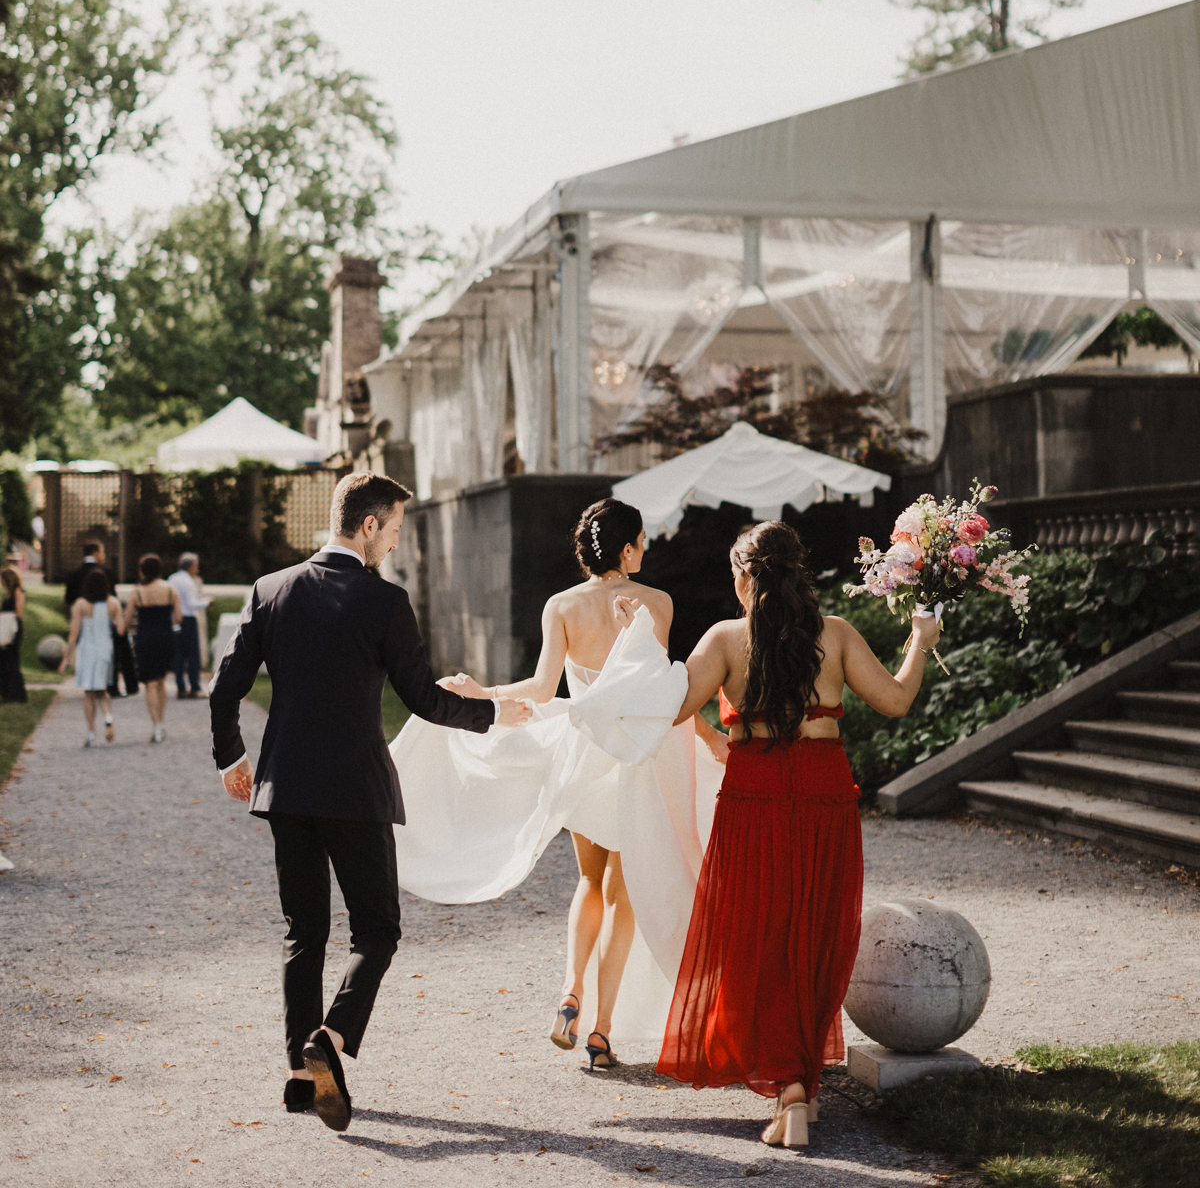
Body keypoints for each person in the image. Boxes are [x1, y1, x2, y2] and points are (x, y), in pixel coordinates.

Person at [209, 472, 532, 1134]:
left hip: (287, 789)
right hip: (355, 792)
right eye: (395, 528)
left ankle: (303, 1078)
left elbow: (224, 689)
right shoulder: (385, 602)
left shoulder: (271, 591)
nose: (395, 541)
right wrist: (497, 712)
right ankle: (327, 1042)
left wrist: (231, 759)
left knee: (304, 932)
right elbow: (423, 699)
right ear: (367, 527)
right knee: (377, 929)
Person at [389, 497, 727, 1065]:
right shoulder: (657, 603)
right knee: (625, 897)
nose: (647, 548)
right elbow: (655, 691)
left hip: (583, 757)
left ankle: (570, 991)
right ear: (625, 547)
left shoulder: (561, 606)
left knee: (589, 883)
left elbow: (544, 690)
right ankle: (601, 1031)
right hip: (637, 760)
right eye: (642, 540)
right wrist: (711, 737)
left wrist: (486, 694)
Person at [653, 520, 940, 1150]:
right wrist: (921, 640)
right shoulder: (834, 635)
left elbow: (672, 708)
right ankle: (797, 1090)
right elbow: (893, 701)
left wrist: (641, 645)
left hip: (753, 792)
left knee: (758, 936)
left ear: (745, 575)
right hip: (823, 791)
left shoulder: (726, 638)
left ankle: (789, 1090)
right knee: (814, 932)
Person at [59, 567, 125, 745]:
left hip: (87, 650)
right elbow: (120, 630)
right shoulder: (113, 603)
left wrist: (66, 658)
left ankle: (90, 732)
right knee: (103, 690)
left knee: (88, 693)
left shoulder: (80, 604)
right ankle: (108, 717)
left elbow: (74, 634)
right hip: (105, 649)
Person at [124, 554, 182, 744]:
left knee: (149, 682)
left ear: (142, 571)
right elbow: (179, 617)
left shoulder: (137, 592)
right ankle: (162, 721)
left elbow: (125, 621)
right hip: (165, 636)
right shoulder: (170, 589)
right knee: (160, 680)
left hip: (145, 637)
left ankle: (156, 725)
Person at [169, 552, 208, 698]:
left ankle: (180, 687)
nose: (197, 569)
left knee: (179, 654)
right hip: (189, 618)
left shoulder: (172, 579)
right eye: (196, 566)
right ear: (190, 566)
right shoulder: (189, 582)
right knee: (193, 654)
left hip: (176, 619)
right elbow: (192, 604)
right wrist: (206, 602)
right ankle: (195, 686)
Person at [63, 540, 114, 615]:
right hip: (103, 616)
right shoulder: (107, 573)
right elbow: (112, 596)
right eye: (103, 552)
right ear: (95, 554)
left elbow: (69, 600)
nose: (104, 556)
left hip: (81, 618)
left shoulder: (73, 575)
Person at [0, 565, 27, 703]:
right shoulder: (8, 594)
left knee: (12, 661)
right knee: (4, 661)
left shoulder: (18, 591)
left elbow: (18, 612)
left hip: (13, 629)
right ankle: (6, 693)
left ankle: (17, 694)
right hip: (5, 628)